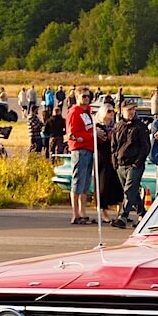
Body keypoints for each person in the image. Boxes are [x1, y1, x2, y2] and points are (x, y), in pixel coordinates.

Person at [110, 100, 150, 228]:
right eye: (129, 109)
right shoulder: (118, 126)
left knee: (129, 190)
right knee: (132, 193)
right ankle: (143, 214)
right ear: (122, 110)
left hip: (135, 164)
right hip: (121, 165)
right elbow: (114, 146)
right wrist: (115, 162)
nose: (131, 112)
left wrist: (138, 162)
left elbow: (145, 146)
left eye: (133, 109)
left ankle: (123, 217)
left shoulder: (140, 126)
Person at [66, 87, 95, 225]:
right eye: (83, 96)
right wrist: (88, 136)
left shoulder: (87, 112)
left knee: (85, 183)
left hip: (89, 149)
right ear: (77, 97)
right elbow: (72, 134)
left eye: (88, 96)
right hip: (79, 149)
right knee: (78, 181)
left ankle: (83, 212)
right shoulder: (74, 112)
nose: (86, 99)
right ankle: (75, 213)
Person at [92, 103, 124, 224]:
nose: (111, 113)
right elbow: (101, 140)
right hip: (102, 158)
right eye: (109, 111)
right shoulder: (98, 126)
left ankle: (120, 212)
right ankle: (103, 211)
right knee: (103, 185)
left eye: (112, 111)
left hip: (114, 158)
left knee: (117, 185)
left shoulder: (115, 126)